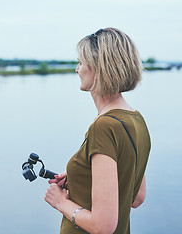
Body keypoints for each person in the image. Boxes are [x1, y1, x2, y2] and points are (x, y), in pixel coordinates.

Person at [44, 28, 151, 234]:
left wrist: (60, 202)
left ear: (98, 68)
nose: (77, 69)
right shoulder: (137, 120)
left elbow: (103, 226)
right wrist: (81, 177)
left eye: (81, 62)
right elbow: (136, 197)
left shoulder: (104, 127)